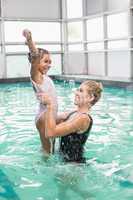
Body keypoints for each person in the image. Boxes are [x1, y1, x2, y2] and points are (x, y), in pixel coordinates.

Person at [37, 80, 103, 163]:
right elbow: (46, 122)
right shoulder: (72, 114)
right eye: (77, 90)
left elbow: (50, 133)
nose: (76, 93)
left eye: (81, 91)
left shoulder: (83, 119)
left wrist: (50, 105)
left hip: (73, 168)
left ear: (91, 97)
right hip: (63, 162)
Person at [22, 29, 58, 154]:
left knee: (51, 149)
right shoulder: (36, 77)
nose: (49, 65)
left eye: (50, 62)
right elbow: (35, 56)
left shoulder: (45, 78)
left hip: (49, 115)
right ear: (36, 63)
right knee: (48, 151)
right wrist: (30, 41)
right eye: (45, 61)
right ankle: (43, 170)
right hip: (44, 117)